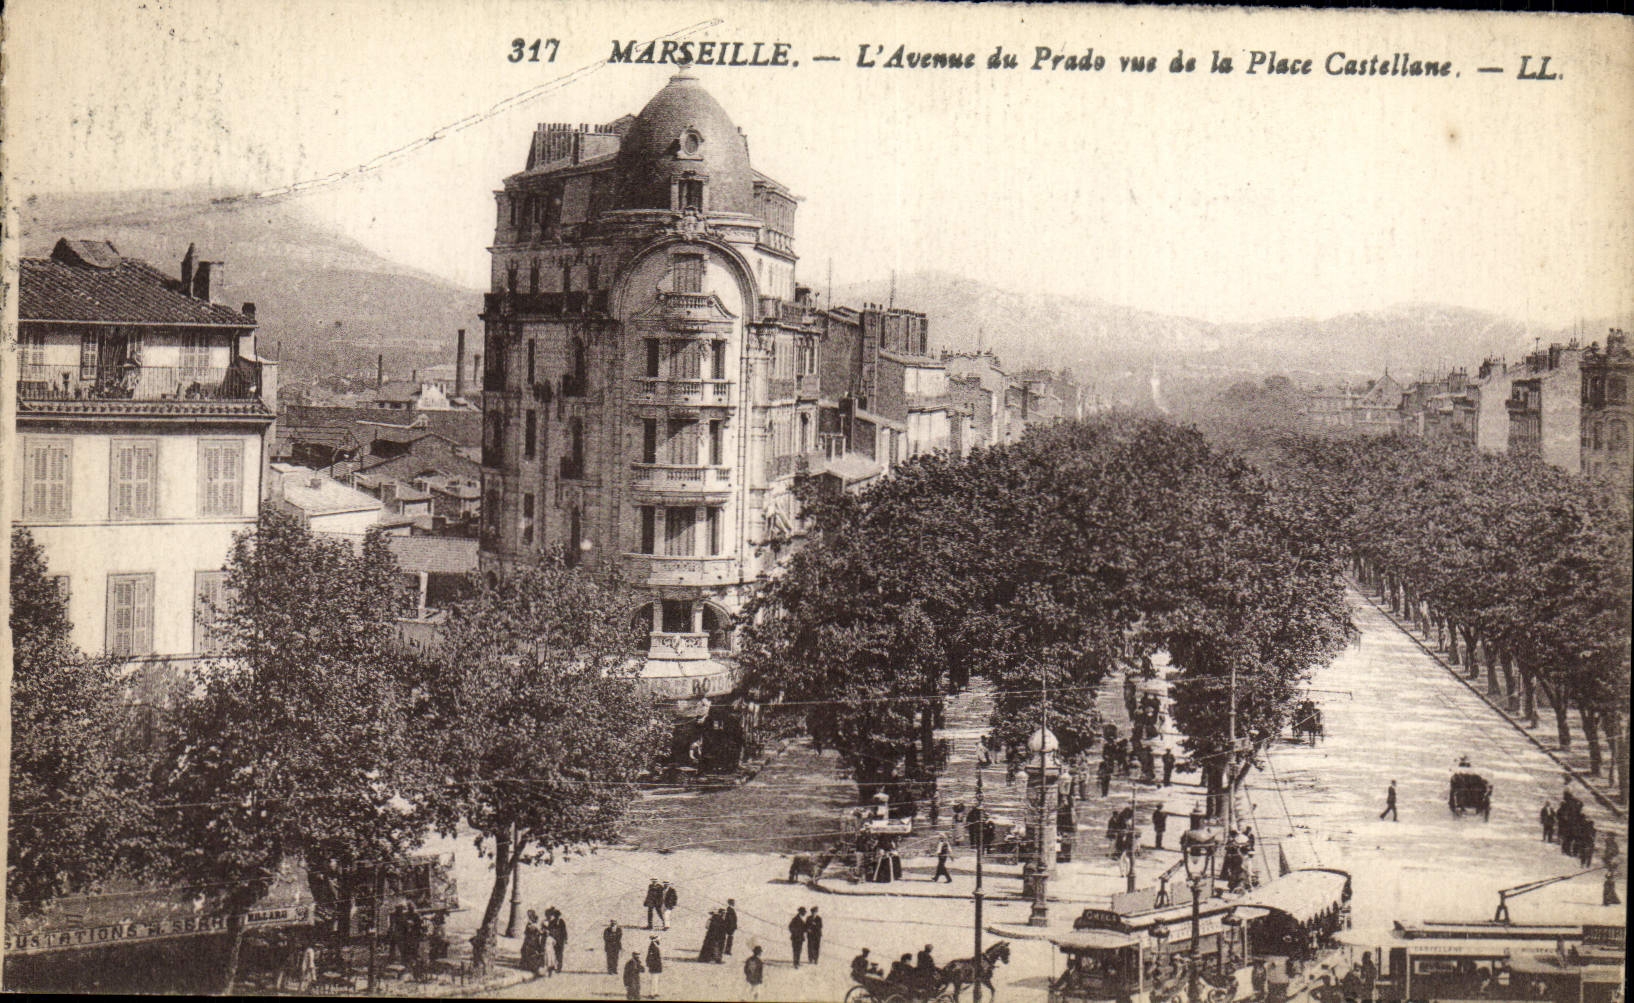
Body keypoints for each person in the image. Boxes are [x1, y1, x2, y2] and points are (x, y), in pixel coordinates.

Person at [521, 909, 544, 976]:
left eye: (529, 915)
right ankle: (527, 965)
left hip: (532, 940)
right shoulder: (530, 923)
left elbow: (538, 931)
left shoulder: (532, 924)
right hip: (530, 940)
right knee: (525, 951)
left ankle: (532, 966)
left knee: (531, 952)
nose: (528, 917)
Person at [548, 909, 567, 973]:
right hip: (554, 940)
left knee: (560, 953)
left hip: (560, 940)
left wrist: (565, 939)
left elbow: (564, 930)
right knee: (554, 953)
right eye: (555, 915)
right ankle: (554, 966)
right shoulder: (552, 922)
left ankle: (559, 967)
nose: (556, 916)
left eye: (557, 915)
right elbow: (549, 930)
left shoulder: (561, 922)